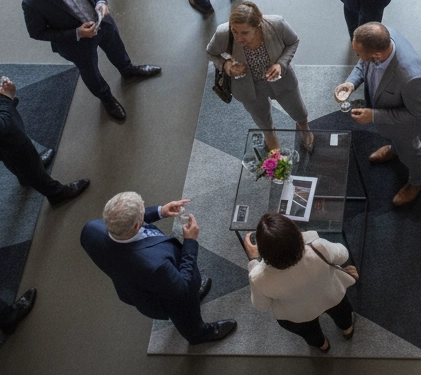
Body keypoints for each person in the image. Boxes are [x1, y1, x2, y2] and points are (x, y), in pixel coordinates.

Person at [21, 0, 161, 122]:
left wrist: (101, 0)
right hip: (76, 43)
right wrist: (77, 33)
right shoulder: (33, 1)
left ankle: (128, 71)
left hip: (103, 22)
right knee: (90, 71)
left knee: (117, 48)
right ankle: (106, 98)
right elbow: (37, 32)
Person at [81, 191, 236, 345]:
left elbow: (124, 224)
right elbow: (182, 288)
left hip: (136, 285)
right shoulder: (155, 265)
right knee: (184, 307)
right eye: (143, 212)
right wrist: (190, 241)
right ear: (137, 225)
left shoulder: (91, 229)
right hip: (168, 294)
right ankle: (199, 334)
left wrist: (160, 212)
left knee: (187, 294)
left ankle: (195, 296)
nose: (144, 212)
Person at [334, 23, 421, 207]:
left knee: (412, 151)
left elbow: (416, 115)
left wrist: (373, 116)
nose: (357, 57)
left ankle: (419, 179)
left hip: (406, 126)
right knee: (397, 143)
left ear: (376, 56)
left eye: (358, 53)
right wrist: (351, 83)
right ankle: (394, 149)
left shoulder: (411, 78)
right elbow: (363, 63)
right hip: (388, 116)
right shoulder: (384, 37)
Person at [206, 2, 314, 154]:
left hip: (281, 80)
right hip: (248, 87)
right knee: (261, 118)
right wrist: (226, 65)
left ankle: (304, 127)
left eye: (245, 32)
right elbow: (211, 52)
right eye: (234, 31)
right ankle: (269, 135)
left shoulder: (277, 24)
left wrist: (281, 64)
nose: (238, 38)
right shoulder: (223, 33)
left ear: (258, 25)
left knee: (298, 110)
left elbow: (293, 42)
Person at [243, 211, 358, 351]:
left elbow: (261, 306)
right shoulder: (319, 247)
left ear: (262, 250)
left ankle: (322, 345)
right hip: (331, 294)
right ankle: (347, 328)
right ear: (297, 234)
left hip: (296, 314)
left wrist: (254, 261)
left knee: (308, 331)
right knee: (342, 312)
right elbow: (343, 255)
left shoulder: (258, 278)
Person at [0, 74, 89, 206]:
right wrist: (5, 98)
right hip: (8, 138)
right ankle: (56, 194)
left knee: (15, 158)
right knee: (21, 156)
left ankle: (25, 175)